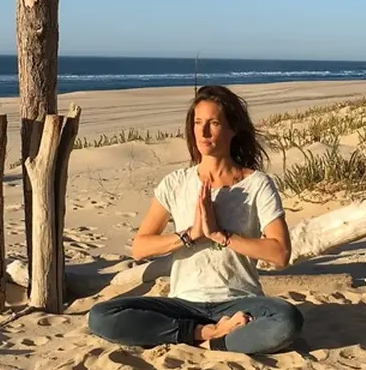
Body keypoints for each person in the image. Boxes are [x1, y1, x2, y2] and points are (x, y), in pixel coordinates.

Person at [87, 85, 304, 354]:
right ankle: (205, 334)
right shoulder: (176, 183)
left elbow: (280, 253)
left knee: (287, 320)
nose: (203, 132)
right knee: (101, 315)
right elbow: (140, 247)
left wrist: (220, 236)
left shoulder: (257, 184)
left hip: (239, 301)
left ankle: (211, 340)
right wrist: (189, 235)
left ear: (232, 128)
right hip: (184, 304)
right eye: (198, 123)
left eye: (213, 123)